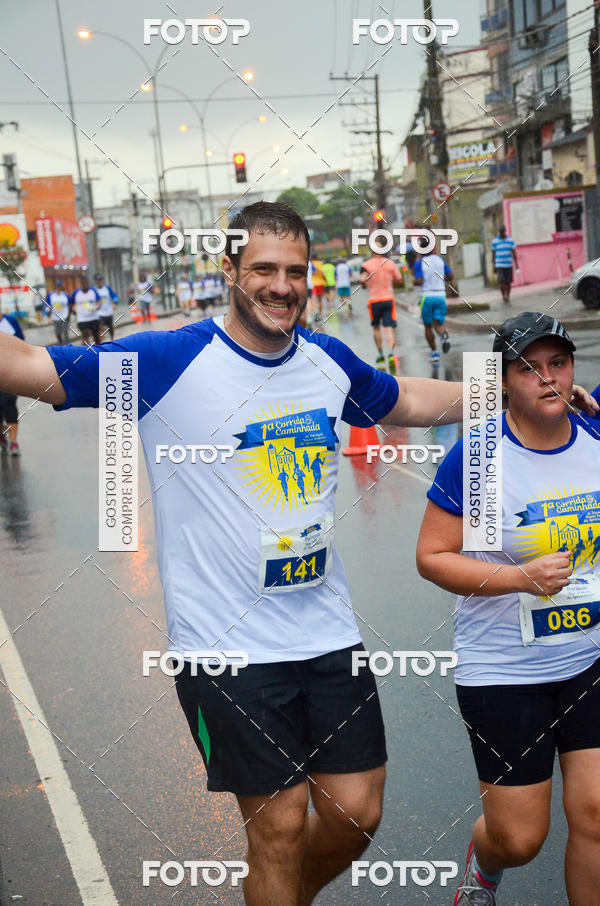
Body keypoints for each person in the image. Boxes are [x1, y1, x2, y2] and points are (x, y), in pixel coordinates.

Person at [0, 207, 595, 905]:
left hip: (326, 636)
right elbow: (25, 364)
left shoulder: (323, 360)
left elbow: (406, 399)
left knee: (356, 814)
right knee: (277, 830)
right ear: (228, 272)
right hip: (226, 649)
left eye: (294, 272)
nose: (282, 287)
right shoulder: (165, 361)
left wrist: (519, 389)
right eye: (263, 270)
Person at [416, 312, 600, 906]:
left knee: (596, 815)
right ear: (501, 382)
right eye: (528, 368)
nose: (546, 378)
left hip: (589, 659)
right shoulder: (479, 457)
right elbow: (433, 557)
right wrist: (518, 577)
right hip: (504, 669)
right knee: (520, 838)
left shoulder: (594, 437)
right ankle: (484, 865)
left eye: (557, 364)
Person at [359, 235, 403, 374]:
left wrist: (366, 285)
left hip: (374, 301)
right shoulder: (390, 263)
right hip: (389, 299)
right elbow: (399, 279)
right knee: (389, 328)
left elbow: (362, 280)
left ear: (371, 251)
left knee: (376, 328)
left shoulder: (366, 265)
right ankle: (391, 353)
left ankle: (380, 356)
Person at [413, 238, 452, 363]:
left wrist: (414, 280)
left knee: (428, 326)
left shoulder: (419, 263)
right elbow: (451, 276)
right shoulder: (440, 260)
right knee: (438, 324)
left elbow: (419, 281)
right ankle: (443, 335)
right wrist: (439, 279)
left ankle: (434, 353)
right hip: (441, 296)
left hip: (427, 297)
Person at [0, 302, 24, 455]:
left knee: (9, 406)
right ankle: (3, 437)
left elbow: (22, 343)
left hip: (10, 373)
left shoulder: (10, 321)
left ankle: (14, 442)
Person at [69, 275, 101, 345]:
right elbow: (71, 304)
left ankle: (98, 349)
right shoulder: (76, 293)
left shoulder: (93, 291)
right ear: (81, 284)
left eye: (86, 283)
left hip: (93, 317)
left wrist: (98, 307)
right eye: (83, 283)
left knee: (96, 336)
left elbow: (99, 301)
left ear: (88, 283)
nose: (85, 285)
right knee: (85, 333)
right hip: (82, 319)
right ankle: (87, 349)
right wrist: (73, 311)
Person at [491, 225, 518, 304]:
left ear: (505, 231)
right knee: (502, 282)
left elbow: (514, 253)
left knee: (508, 282)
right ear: (499, 232)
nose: (501, 232)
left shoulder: (510, 240)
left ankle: (508, 296)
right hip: (499, 264)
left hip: (509, 264)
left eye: (502, 231)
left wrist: (516, 265)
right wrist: (494, 265)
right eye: (500, 231)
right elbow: (493, 254)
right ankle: (504, 296)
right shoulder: (495, 241)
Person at [94, 273, 119, 342]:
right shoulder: (94, 290)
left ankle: (112, 340)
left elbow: (114, 296)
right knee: (100, 328)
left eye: (101, 280)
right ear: (95, 281)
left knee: (110, 328)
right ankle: (102, 342)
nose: (99, 281)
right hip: (99, 313)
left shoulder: (107, 288)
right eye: (98, 280)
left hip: (108, 312)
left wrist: (115, 303)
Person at [45, 280, 71, 345]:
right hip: (55, 317)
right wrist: (48, 316)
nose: (59, 287)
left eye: (60, 286)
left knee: (65, 332)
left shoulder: (66, 294)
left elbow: (70, 305)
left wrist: (69, 315)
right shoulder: (51, 295)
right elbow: (48, 306)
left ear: (62, 286)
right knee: (58, 333)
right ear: (56, 286)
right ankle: (61, 343)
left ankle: (67, 347)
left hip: (65, 316)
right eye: (57, 286)